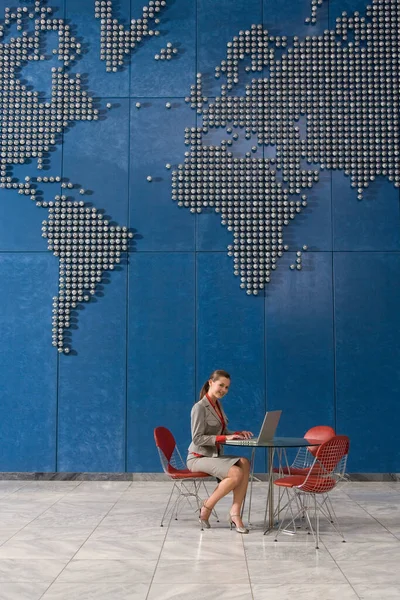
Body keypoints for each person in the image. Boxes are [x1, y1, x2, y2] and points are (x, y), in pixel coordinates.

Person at [187, 369, 252, 533]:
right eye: (221, 385)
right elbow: (197, 438)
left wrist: (236, 434)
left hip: (213, 456)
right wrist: (225, 439)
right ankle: (207, 507)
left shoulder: (217, 405)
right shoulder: (199, 407)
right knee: (236, 473)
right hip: (198, 457)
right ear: (211, 382)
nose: (224, 390)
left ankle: (235, 513)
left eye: (227, 387)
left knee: (244, 462)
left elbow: (222, 432)